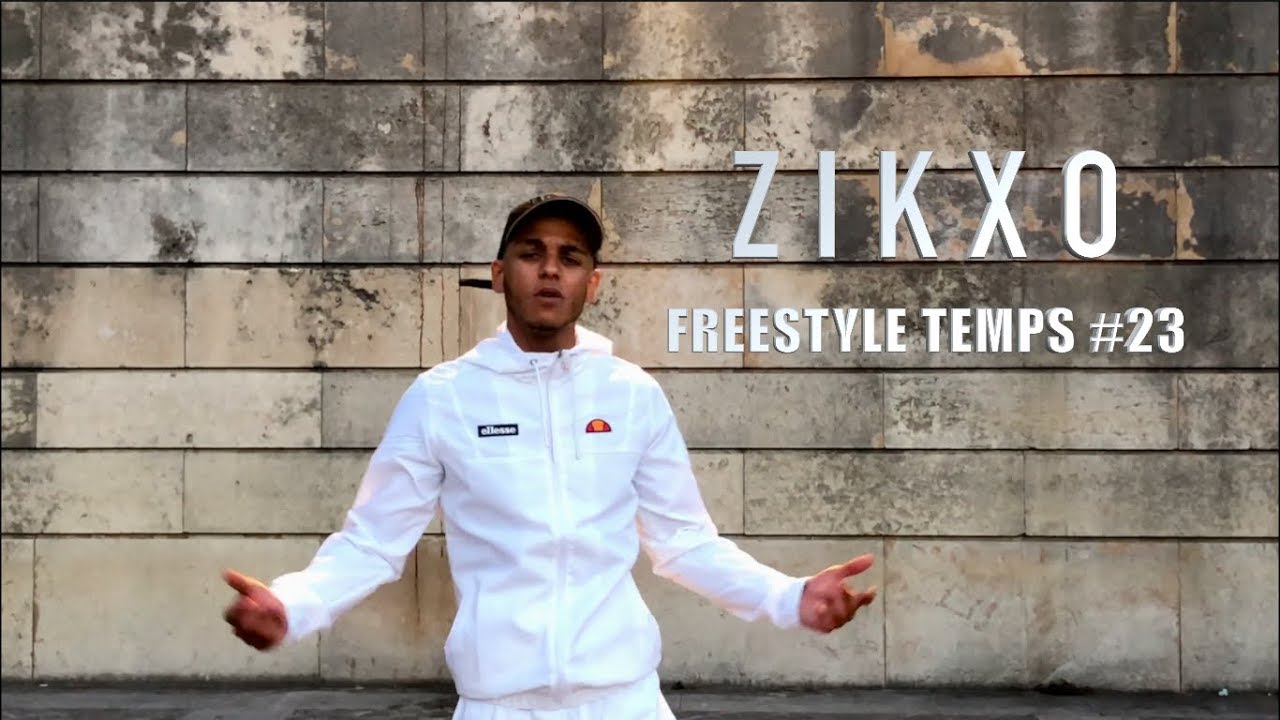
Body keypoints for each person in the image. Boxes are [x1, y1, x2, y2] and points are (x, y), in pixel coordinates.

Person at [221, 194, 878, 719]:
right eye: (531, 253)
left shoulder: (631, 394)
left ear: (593, 281)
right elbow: (372, 542)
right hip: (499, 705)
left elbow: (684, 542)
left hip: (626, 701)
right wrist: (294, 606)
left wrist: (788, 598)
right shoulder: (443, 397)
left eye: (570, 256)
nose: (550, 269)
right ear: (499, 273)